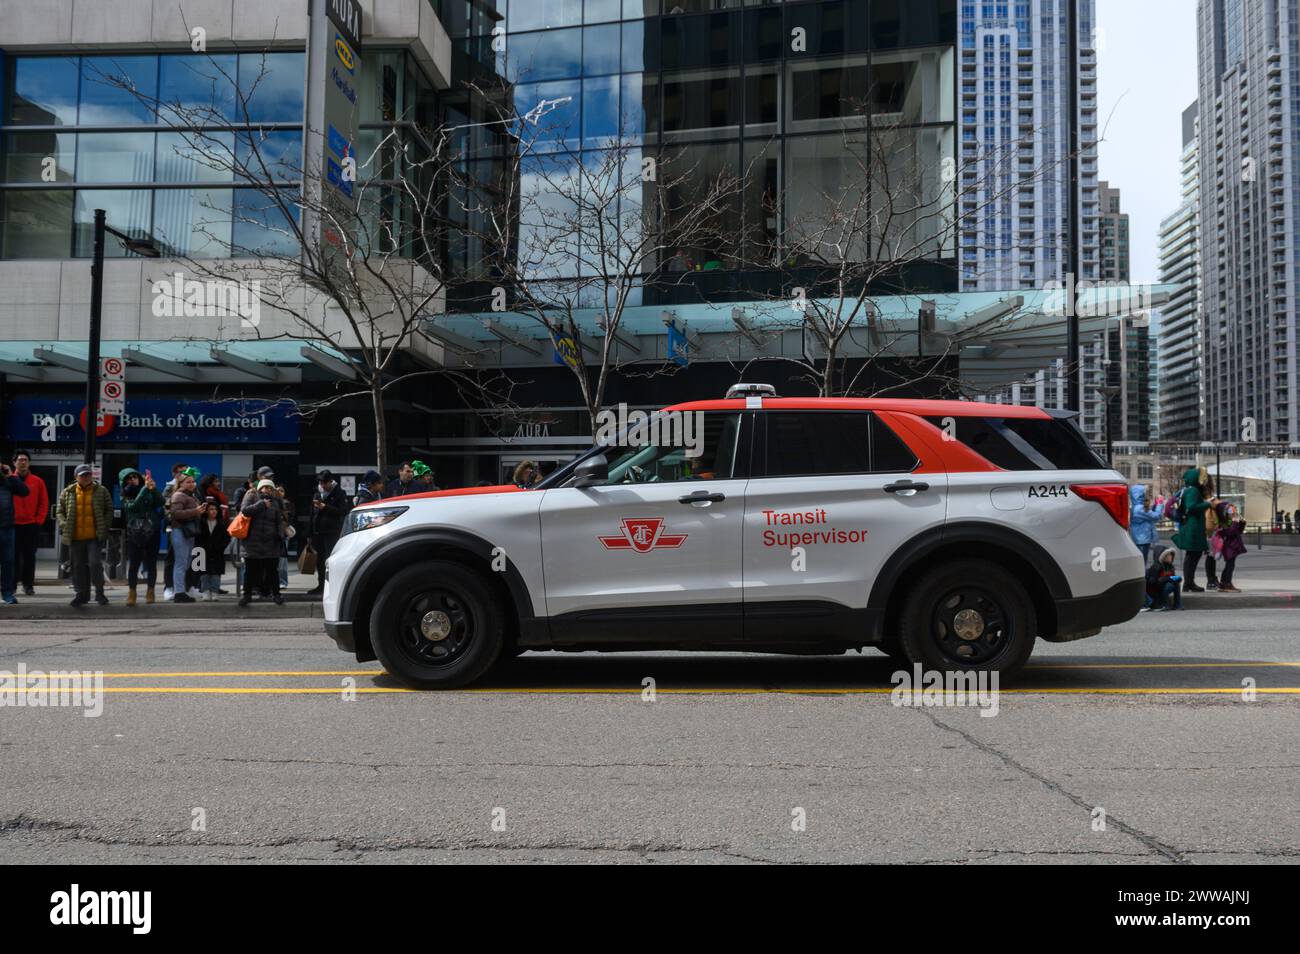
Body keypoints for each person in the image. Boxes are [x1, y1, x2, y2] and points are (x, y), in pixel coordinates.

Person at [56, 464, 111, 607]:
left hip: (94, 537)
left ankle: (100, 593)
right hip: (75, 537)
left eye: (88, 474)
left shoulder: (101, 490)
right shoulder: (68, 491)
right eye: (83, 475)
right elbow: (59, 511)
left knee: (95, 564)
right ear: (76, 477)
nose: (86, 477)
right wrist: (63, 524)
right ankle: (82, 594)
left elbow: (109, 509)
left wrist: (104, 526)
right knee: (78, 566)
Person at [240, 478, 287, 606]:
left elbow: (279, 521)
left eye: (270, 488)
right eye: (264, 488)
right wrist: (261, 504)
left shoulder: (276, 502)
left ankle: (276, 594)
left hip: (271, 542)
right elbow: (244, 511)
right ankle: (247, 595)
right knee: (251, 570)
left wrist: (280, 535)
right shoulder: (252, 496)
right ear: (259, 488)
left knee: (272, 570)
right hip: (252, 542)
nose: (267, 490)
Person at [120, 467, 163, 605]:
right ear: (125, 482)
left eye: (135, 477)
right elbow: (133, 507)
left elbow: (160, 502)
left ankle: (150, 591)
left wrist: (153, 489)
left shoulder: (148, 489)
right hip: (135, 531)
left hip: (152, 529)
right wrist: (145, 490)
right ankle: (132, 592)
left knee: (151, 563)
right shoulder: (126, 494)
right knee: (134, 563)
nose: (133, 480)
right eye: (129, 479)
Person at [11, 450, 48, 596]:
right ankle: (11, 585)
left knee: (29, 557)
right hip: (12, 525)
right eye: (20, 460)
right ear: (14, 463)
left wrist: (38, 521)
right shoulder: (7, 479)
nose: (23, 462)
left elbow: (44, 503)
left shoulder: (38, 481)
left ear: (29, 462)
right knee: (11, 557)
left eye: (25, 460)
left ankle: (28, 585)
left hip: (31, 525)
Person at [307, 471, 348, 596]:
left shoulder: (339, 493)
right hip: (318, 532)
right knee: (319, 560)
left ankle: (332, 586)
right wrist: (309, 533)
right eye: (320, 483)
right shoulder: (317, 493)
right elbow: (311, 514)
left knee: (330, 560)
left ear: (331, 481)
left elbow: (343, 511)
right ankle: (321, 585)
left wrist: (325, 507)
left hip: (332, 532)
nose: (323, 485)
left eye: (325, 483)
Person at [1171, 466, 1211, 592]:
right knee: (1193, 555)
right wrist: (1208, 504)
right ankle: (1188, 583)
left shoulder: (1186, 490)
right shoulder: (1193, 491)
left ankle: (1189, 583)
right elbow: (1191, 507)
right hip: (1193, 528)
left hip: (1189, 526)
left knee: (1192, 555)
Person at [0, 458, 31, 606]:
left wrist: (11, 476)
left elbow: (25, 492)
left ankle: (7, 594)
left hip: (7, 527)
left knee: (8, 562)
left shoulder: (8, 480)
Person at [168, 471, 202, 604]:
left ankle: (181, 591)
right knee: (181, 562)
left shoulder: (191, 495)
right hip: (180, 531)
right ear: (180, 483)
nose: (192, 484)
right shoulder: (179, 495)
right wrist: (196, 511)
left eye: (193, 481)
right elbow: (175, 513)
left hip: (188, 531)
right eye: (188, 482)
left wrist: (199, 511)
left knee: (186, 561)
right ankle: (179, 592)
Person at [194, 501, 230, 601]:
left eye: (215, 509)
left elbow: (227, 538)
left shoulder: (221, 524)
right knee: (203, 573)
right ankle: (205, 591)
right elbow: (197, 537)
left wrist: (221, 547)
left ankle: (214, 591)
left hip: (217, 551)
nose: (214, 511)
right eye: (211, 509)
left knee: (216, 573)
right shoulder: (201, 523)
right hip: (202, 551)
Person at [1211, 501, 1246, 593]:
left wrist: (1241, 523)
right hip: (1228, 546)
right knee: (1230, 565)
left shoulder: (1230, 520)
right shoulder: (1223, 523)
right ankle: (1227, 583)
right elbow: (1230, 532)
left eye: (1234, 510)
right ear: (1225, 512)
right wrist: (1235, 522)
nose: (1233, 512)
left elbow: (1238, 531)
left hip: (1233, 546)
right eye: (1231, 510)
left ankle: (1223, 583)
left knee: (1230, 565)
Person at [1128, 484, 1163, 566]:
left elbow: (1150, 515)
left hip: (1139, 538)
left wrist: (1155, 505)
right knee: (1142, 562)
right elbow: (1156, 516)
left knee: (1141, 561)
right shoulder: (1140, 508)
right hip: (1142, 539)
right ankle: (1143, 577)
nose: (1146, 496)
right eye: (1144, 494)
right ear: (1140, 495)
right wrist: (1160, 503)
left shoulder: (1136, 507)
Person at [275, 482, 295, 589]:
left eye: (281, 491)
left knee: (282, 559)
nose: (279, 493)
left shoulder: (287, 504)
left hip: (283, 534)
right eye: (277, 490)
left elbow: (289, 518)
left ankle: (282, 581)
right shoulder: (271, 502)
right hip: (273, 534)